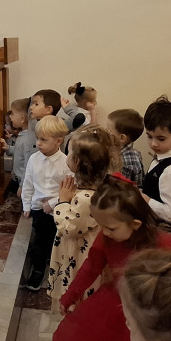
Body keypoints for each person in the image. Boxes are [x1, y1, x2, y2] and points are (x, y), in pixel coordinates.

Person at [52, 176, 171, 341]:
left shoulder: (165, 244)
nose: (105, 233)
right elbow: (91, 267)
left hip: (147, 316)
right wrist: (71, 295)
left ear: (135, 224)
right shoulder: (107, 239)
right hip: (114, 304)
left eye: (111, 228)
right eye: (102, 226)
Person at [49, 125, 120, 303]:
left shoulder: (85, 198)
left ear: (78, 162)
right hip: (88, 248)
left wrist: (63, 201)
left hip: (79, 254)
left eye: (69, 151)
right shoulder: (101, 186)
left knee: (79, 295)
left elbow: (70, 228)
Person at [21, 115, 71, 291]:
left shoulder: (66, 163)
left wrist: (54, 202)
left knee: (57, 239)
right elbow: (28, 183)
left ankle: (55, 264)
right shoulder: (34, 159)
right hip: (39, 209)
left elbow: (69, 188)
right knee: (40, 240)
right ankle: (38, 268)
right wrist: (26, 205)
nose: (38, 143)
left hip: (59, 208)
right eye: (37, 138)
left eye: (43, 139)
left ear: (58, 141)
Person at [138, 98, 171, 232]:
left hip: (167, 236)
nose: (153, 143)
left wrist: (146, 200)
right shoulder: (161, 157)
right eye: (149, 136)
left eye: (161, 139)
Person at [106, 108, 145, 186]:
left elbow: (120, 187)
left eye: (109, 130)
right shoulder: (117, 150)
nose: (106, 132)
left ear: (122, 138)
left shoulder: (126, 160)